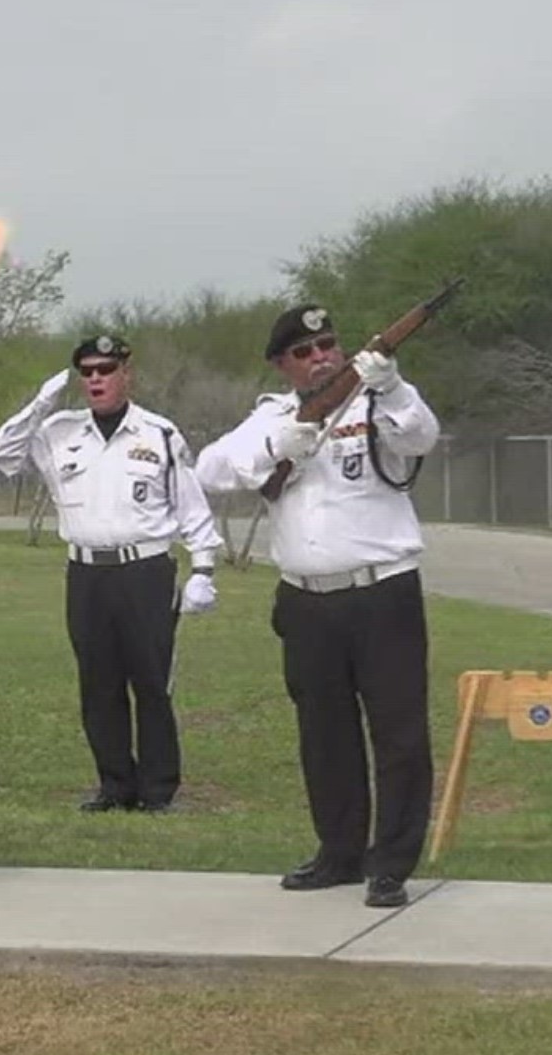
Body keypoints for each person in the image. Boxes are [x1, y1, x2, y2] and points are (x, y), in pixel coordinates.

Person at [195, 304, 439, 909]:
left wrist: (393, 383)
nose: (320, 356)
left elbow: (421, 436)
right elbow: (210, 469)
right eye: (303, 352)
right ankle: (340, 853)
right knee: (324, 734)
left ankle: (392, 863)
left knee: (399, 734)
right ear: (283, 364)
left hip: (383, 591)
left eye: (328, 344)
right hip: (307, 600)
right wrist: (281, 444)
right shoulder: (272, 417)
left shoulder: (377, 401)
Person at [0, 335, 223, 814]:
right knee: (98, 684)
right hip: (87, 572)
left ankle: (158, 789)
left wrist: (203, 567)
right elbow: (4, 455)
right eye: (88, 371)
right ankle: (114, 784)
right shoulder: (58, 431)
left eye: (106, 369)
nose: (96, 378)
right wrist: (38, 405)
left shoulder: (157, 433)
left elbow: (191, 507)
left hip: (145, 572)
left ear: (126, 373)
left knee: (151, 682)